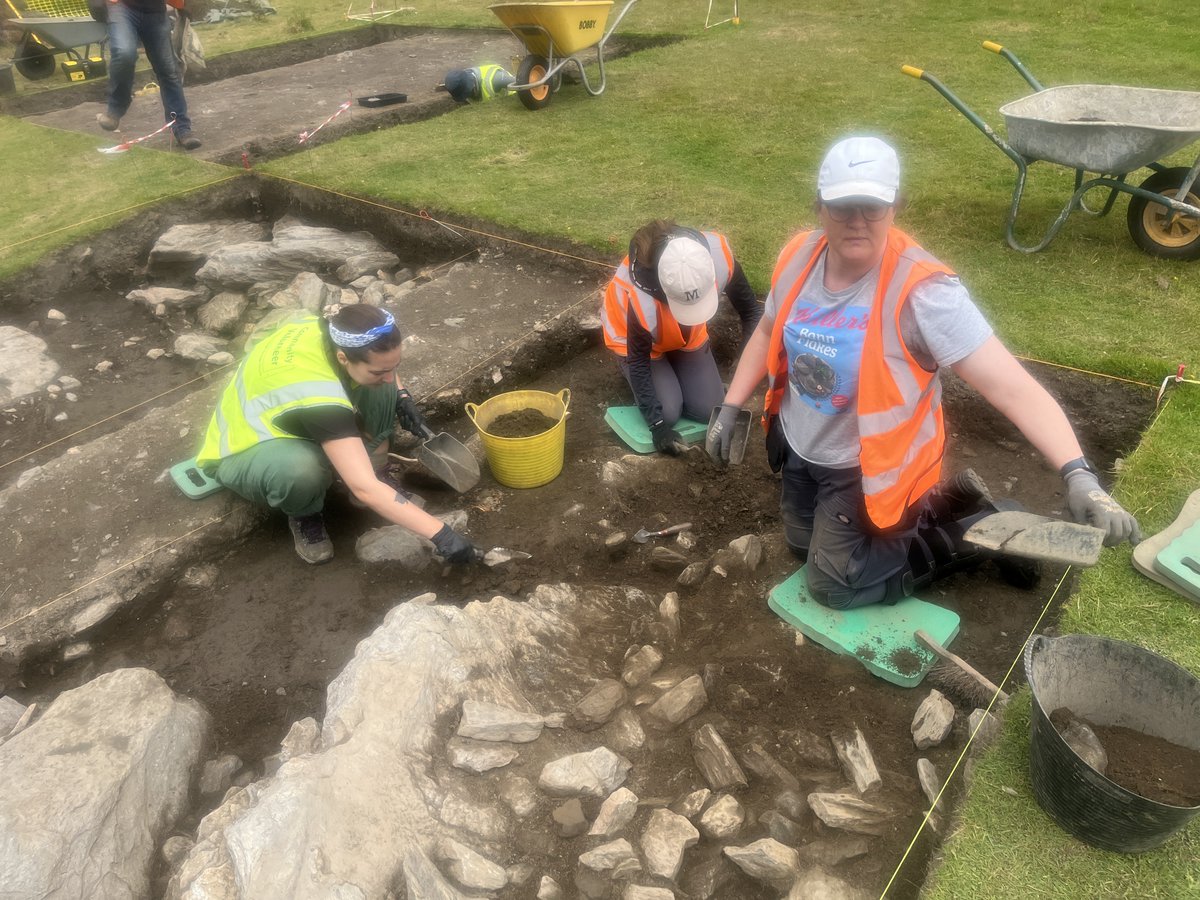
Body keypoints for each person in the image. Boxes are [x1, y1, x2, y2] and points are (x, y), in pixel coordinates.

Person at [707, 135, 1140, 609]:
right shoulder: (798, 256)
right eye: (842, 205)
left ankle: (975, 533)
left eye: (873, 206)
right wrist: (730, 404)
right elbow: (767, 331)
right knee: (800, 548)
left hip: (867, 469)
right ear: (820, 206)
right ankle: (950, 500)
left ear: (895, 206)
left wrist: (1078, 473)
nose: (857, 219)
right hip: (802, 448)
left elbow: (1012, 388)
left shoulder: (925, 293)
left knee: (832, 586)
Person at [196, 305, 477, 566]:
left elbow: (382, 366)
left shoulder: (332, 330)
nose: (391, 376)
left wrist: (402, 396)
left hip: (297, 414)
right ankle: (304, 512)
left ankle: (375, 469)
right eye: (381, 370)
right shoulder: (317, 395)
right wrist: (442, 534)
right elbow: (363, 488)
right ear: (343, 357)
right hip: (247, 445)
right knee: (300, 471)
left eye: (394, 366)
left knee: (380, 386)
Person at [602, 220, 761, 454]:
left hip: (686, 336)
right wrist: (657, 425)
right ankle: (664, 380)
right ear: (664, 290)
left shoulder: (717, 259)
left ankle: (675, 372)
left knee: (709, 410)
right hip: (639, 345)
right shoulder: (639, 297)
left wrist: (743, 369)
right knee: (668, 413)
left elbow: (752, 313)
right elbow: (638, 361)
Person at [95, 0, 201, 150]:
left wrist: (184, 5)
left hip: (155, 11)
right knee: (124, 53)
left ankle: (181, 128)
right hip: (122, 7)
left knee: (168, 70)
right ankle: (115, 111)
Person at [442, 65, 515, 103]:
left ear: (472, 85)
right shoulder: (462, 78)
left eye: (467, 94)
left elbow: (519, 82)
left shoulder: (495, 80)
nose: (467, 98)